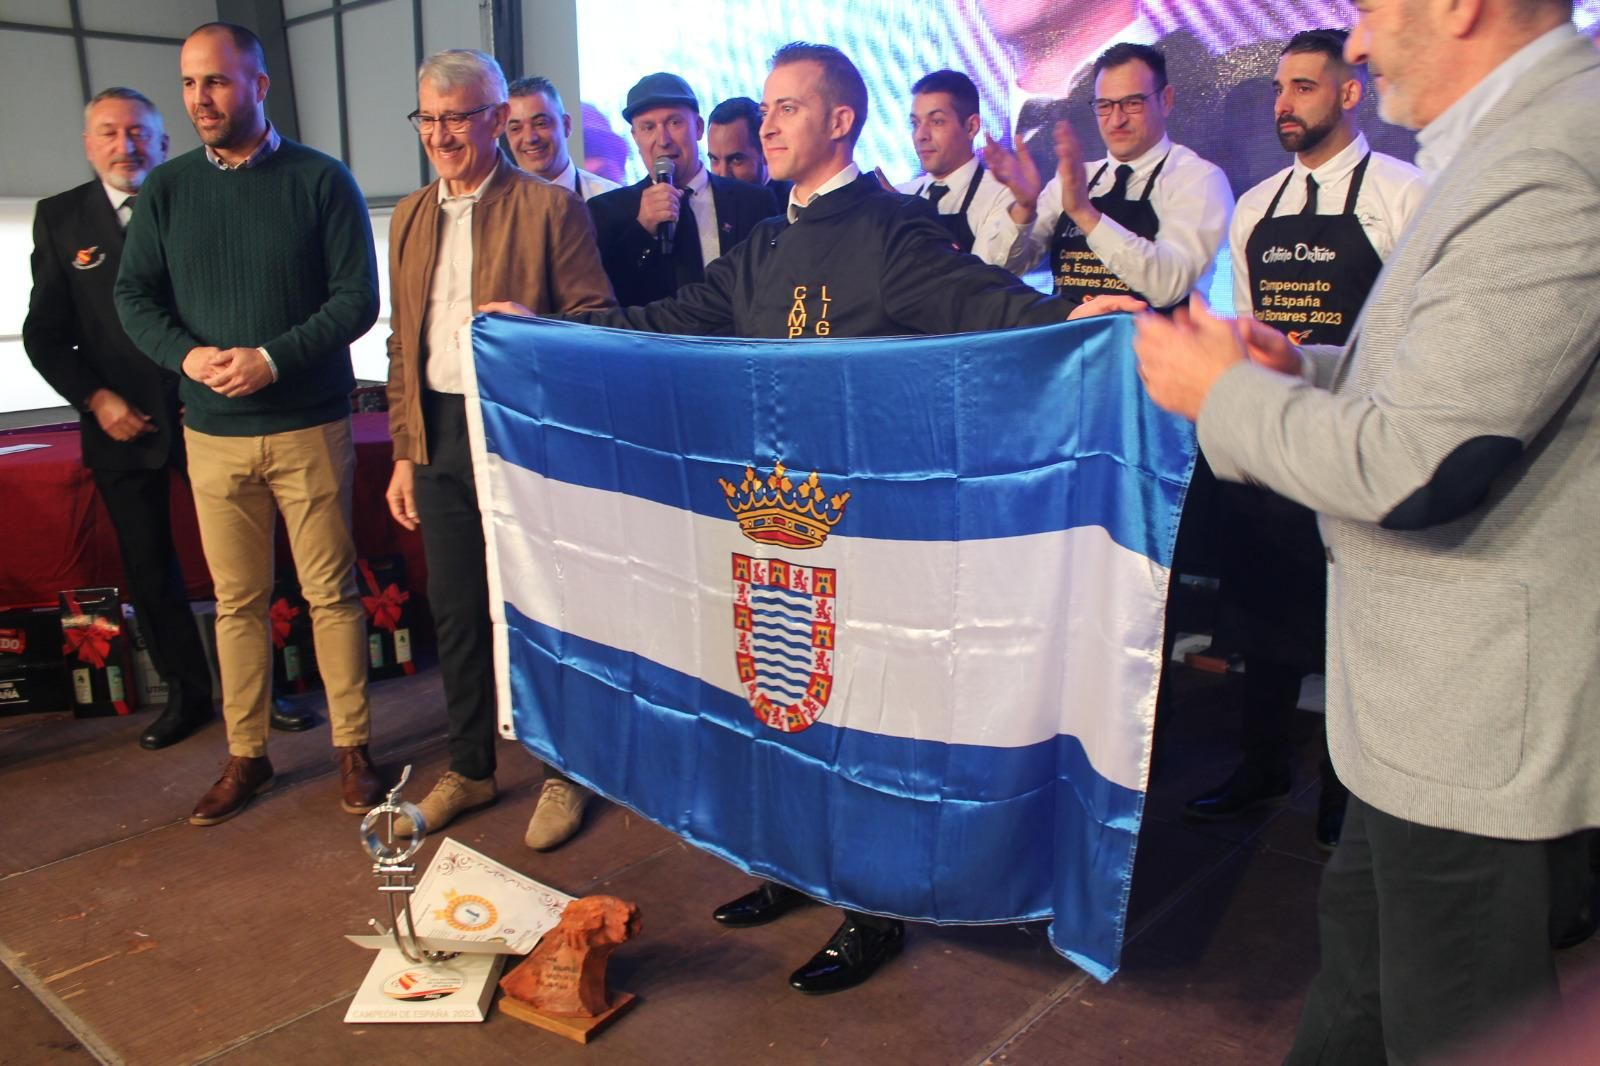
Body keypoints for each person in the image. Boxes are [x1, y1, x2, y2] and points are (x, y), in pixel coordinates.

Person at [486, 41, 1136, 996]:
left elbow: (986, 305)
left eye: (791, 108)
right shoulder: (763, 243)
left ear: (840, 121)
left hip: (867, 538)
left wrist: (1082, 313)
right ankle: (792, 867)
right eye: (769, 108)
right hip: (766, 528)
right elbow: (676, 321)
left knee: (866, 715)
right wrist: (546, 332)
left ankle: (874, 906)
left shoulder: (890, 230)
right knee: (774, 706)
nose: (770, 122)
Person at [1132, 3, 1600, 1061]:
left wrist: (1219, 397)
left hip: (1477, 722)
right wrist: (1299, 373)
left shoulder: (1552, 158)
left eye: (1374, 9)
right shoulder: (1507, 148)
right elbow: (1453, 401)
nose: (1354, 43)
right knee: (1358, 989)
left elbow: (1422, 466)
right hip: (1419, 715)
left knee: (1453, 1020)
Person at [114, 22, 384, 826]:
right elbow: (134, 298)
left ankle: (353, 748)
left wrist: (272, 358)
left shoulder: (320, 180)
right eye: (191, 83)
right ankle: (248, 755)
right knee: (237, 603)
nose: (201, 98)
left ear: (259, 86)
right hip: (213, 433)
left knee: (331, 594)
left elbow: (355, 301)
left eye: (218, 82)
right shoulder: (165, 191)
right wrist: (188, 359)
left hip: (307, 423)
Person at [1186, 29, 1425, 849]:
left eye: (1304, 88)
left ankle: (1348, 794)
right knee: (1261, 615)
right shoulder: (1255, 207)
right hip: (1275, 439)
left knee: (1350, 629)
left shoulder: (1405, 194)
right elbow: (1252, 327)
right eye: (1279, 90)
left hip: (1359, 440)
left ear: (1350, 93)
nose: (1283, 105)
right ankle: (1260, 767)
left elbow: (1412, 339)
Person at [383, 49, 616, 849]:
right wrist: (404, 452)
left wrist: (530, 327)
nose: (444, 134)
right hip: (442, 432)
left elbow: (597, 321)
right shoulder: (409, 216)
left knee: (543, 605)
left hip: (525, 436)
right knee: (454, 608)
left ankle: (565, 771)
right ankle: (471, 766)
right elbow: (400, 349)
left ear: (494, 121)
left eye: (460, 116)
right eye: (430, 117)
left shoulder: (551, 208)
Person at [22, 88, 215, 751]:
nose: (124, 145)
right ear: (88, 144)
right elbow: (45, 335)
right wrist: (97, 400)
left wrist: (211, 390)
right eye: (108, 132)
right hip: (117, 424)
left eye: (139, 132)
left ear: (163, 144)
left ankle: (265, 693)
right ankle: (187, 697)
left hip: (207, 414)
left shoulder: (197, 200)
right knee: (149, 567)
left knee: (243, 562)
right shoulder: (60, 219)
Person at [983, 43, 1233, 311]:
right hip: (1069, 347)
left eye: (1132, 104)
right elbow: (997, 272)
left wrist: (1085, 214)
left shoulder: (1197, 179)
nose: (1116, 120)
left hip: (1150, 350)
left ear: (1166, 100)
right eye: (1104, 106)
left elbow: (1168, 287)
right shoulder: (1078, 178)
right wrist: (1024, 210)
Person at [585, 72, 778, 306]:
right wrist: (643, 231)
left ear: (697, 127)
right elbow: (607, 301)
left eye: (674, 122)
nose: (663, 139)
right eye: (648, 127)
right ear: (635, 137)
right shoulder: (606, 211)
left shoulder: (753, 201)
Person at [892, 69, 1024, 270]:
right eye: (915, 123)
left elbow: (982, 279)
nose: (921, 135)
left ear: (971, 127)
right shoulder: (901, 194)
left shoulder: (1001, 195)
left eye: (936, 121)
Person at [504, 75, 619, 202]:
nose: (530, 138)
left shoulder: (612, 201)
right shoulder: (494, 207)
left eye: (540, 123)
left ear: (566, 125)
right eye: (516, 128)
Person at [707, 95, 792, 204]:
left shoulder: (792, 206)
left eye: (736, 160)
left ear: (764, 151)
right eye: (714, 159)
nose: (723, 175)